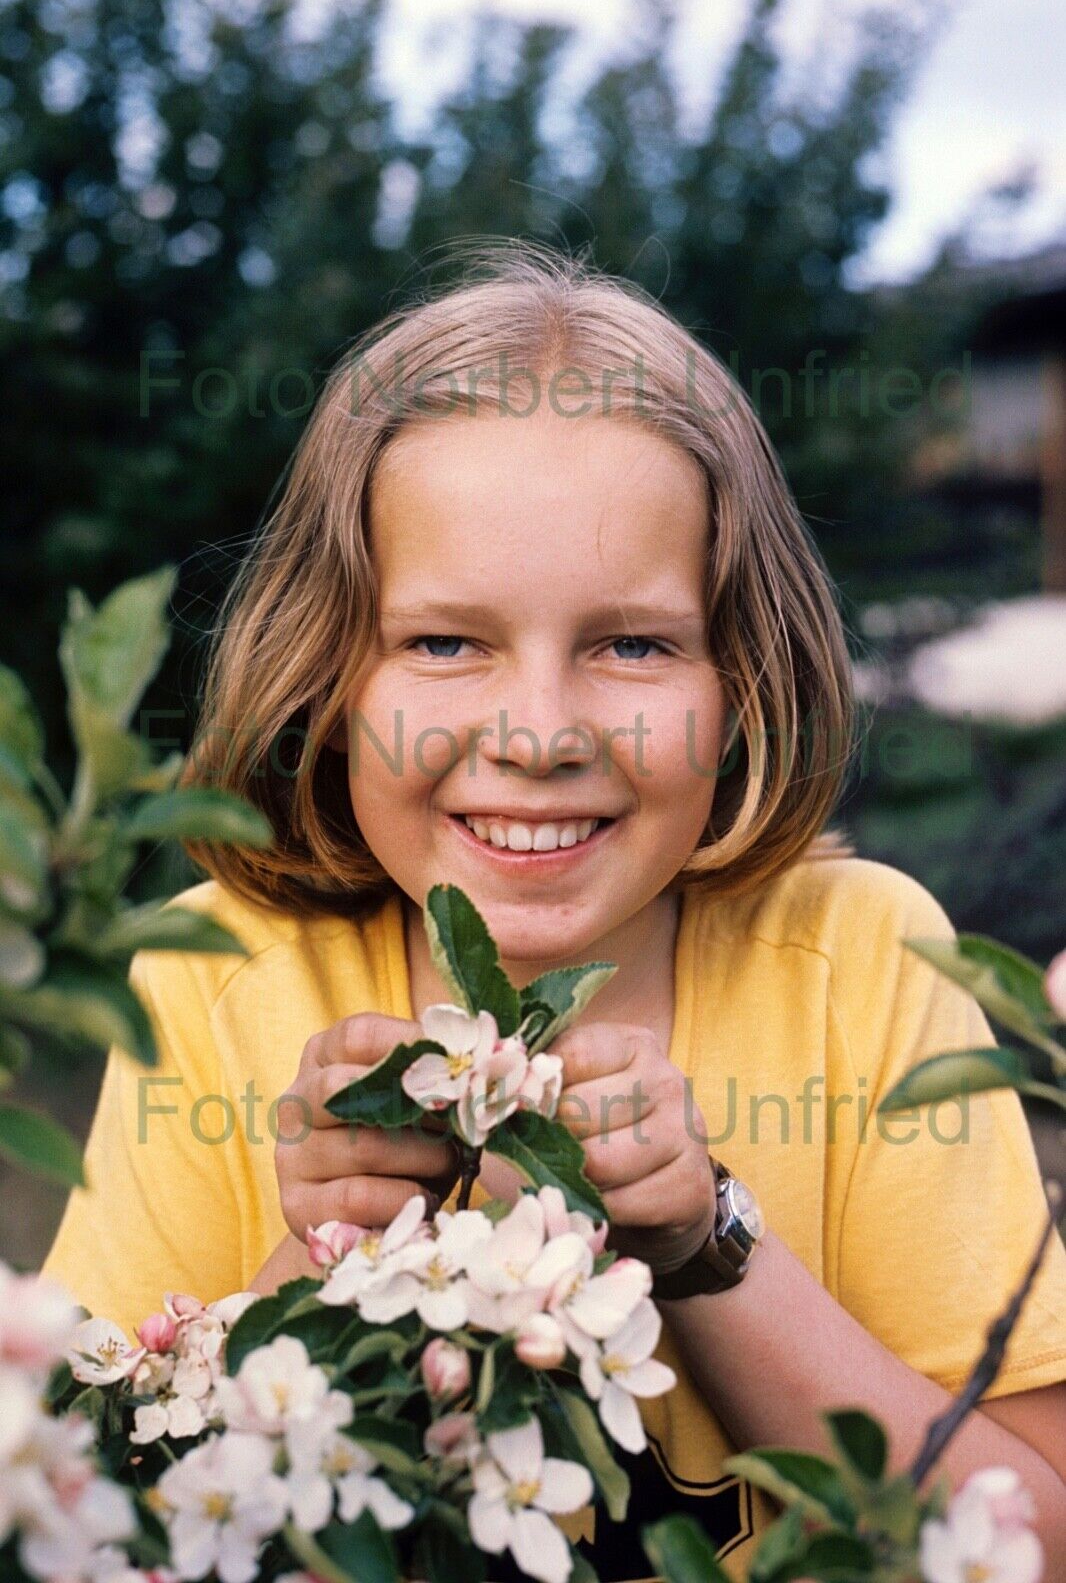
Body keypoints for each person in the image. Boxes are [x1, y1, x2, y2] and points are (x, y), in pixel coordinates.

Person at [42, 241, 1066, 1579]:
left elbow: (1030, 1538)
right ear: (329, 677)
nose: (536, 733)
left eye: (631, 643)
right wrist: (319, 1263)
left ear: (738, 683)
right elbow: (75, 1515)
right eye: (444, 642)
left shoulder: (859, 963)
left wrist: (709, 1249)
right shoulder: (210, 987)